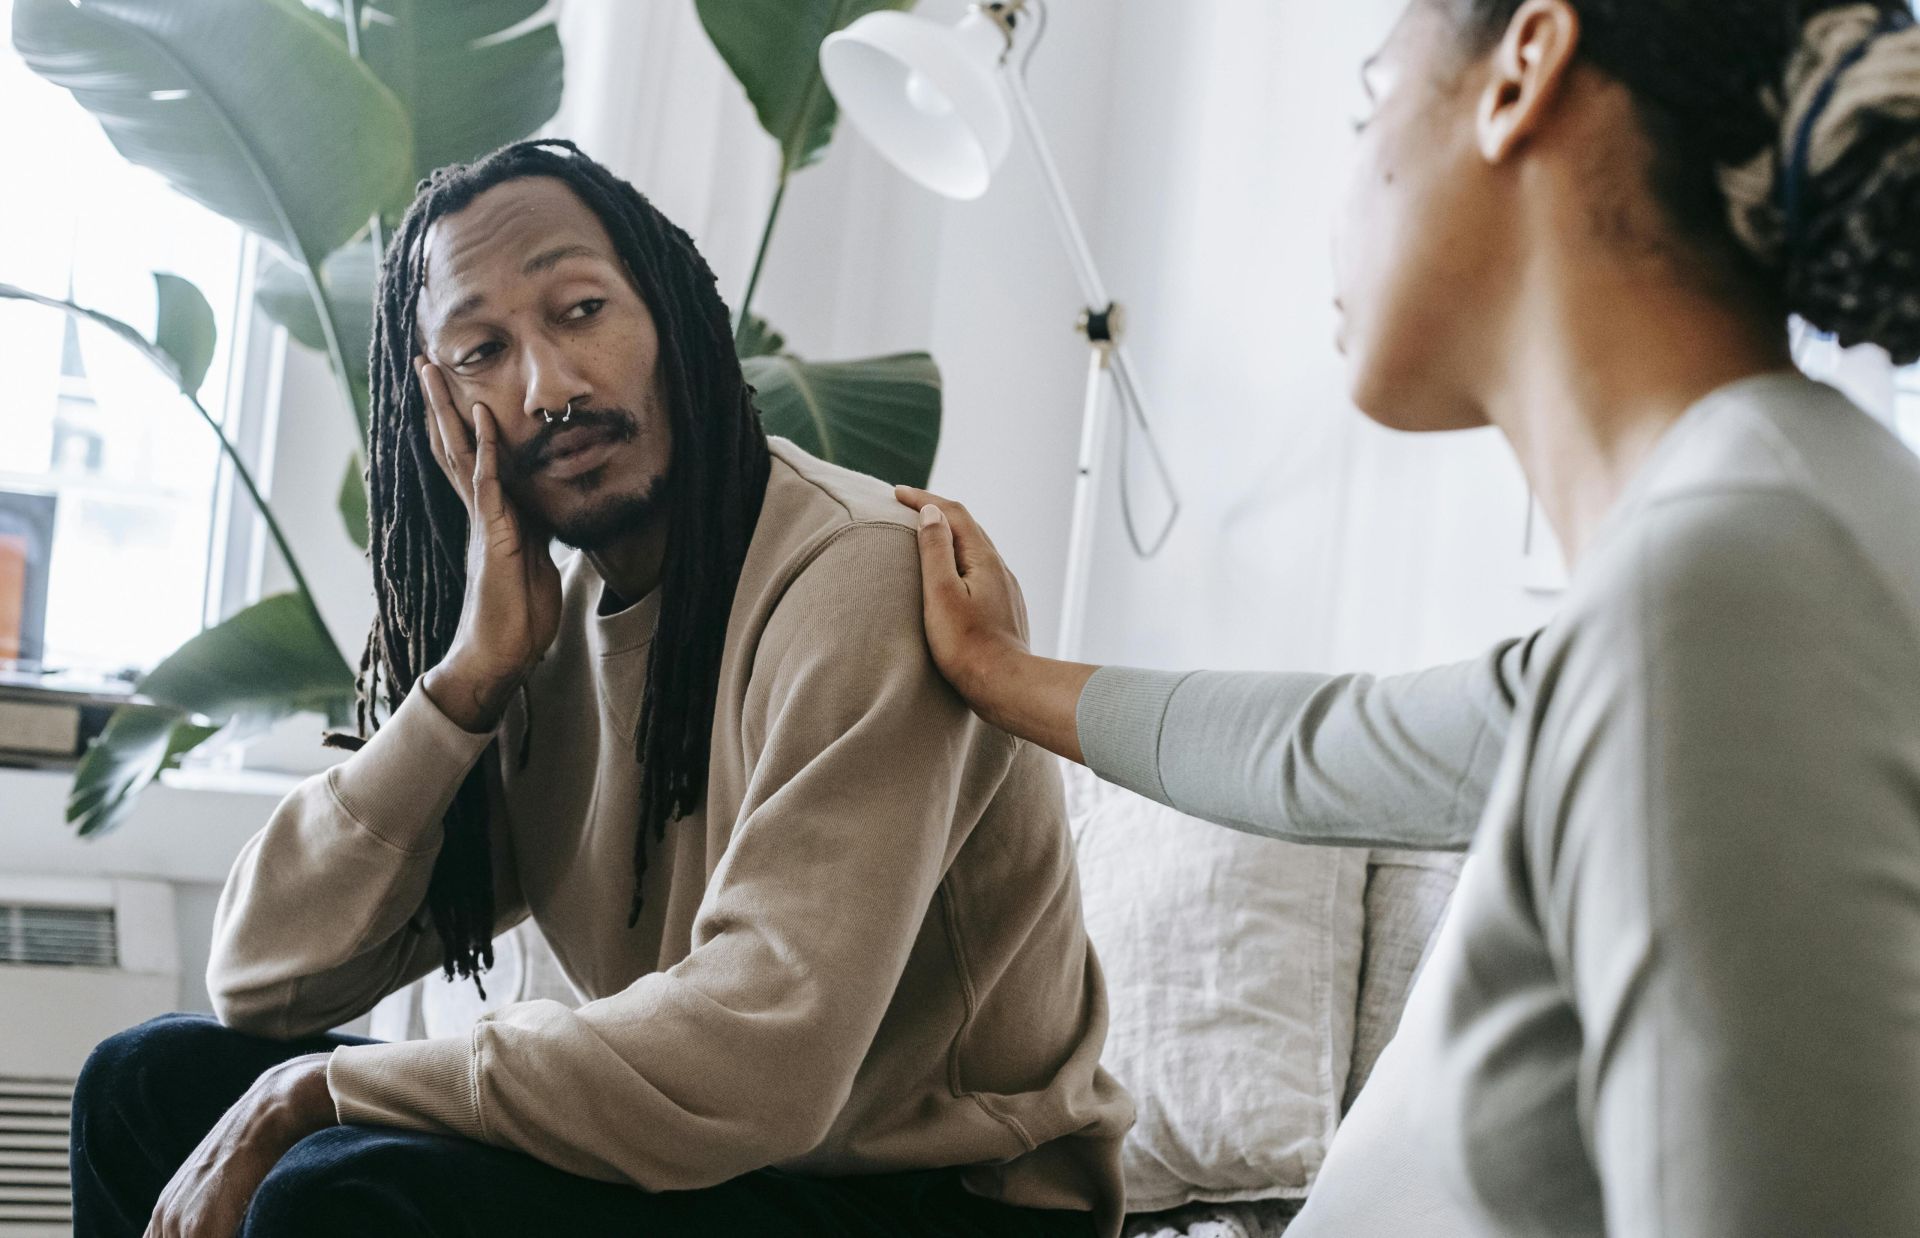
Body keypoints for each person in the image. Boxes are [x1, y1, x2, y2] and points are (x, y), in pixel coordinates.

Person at [897, 0, 1920, 1234]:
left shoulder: (1726, 588)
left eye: (1367, 98)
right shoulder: (1754, 538)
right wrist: (1000, 670)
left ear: (1521, 72)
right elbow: (1327, 747)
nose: (1341, 190)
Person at [68, 140, 1130, 1238]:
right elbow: (263, 973)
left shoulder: (856, 575)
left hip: (945, 1203)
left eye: (580, 310)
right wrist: (464, 684)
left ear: (667, 312)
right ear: (437, 411)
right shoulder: (540, 634)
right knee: (142, 1087)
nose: (551, 387)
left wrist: (319, 1092)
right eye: (483, 348)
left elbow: (767, 1057)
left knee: (331, 1186)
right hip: (726, 1168)